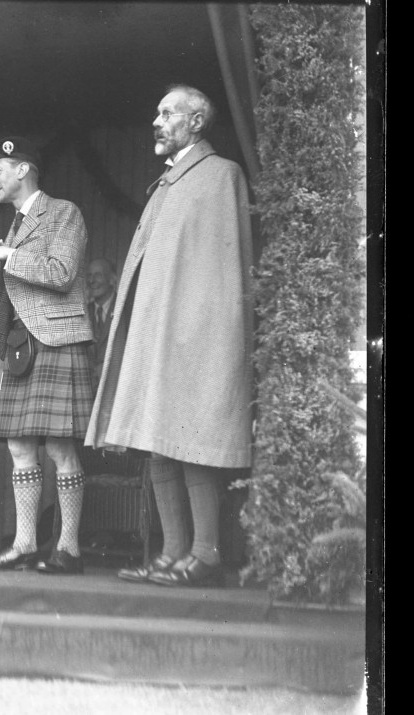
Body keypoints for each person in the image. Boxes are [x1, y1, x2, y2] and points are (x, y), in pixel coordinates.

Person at [85, 85, 254, 588]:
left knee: (194, 442)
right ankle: (173, 552)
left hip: (198, 338)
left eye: (167, 113)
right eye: (156, 112)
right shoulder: (167, 184)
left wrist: (212, 336)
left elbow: (227, 270)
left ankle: (205, 555)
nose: (156, 121)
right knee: (159, 444)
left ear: (196, 122)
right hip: (157, 337)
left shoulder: (221, 176)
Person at [0, 137, 95, 575]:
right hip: (21, 346)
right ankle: (24, 544)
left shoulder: (64, 213)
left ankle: (69, 549)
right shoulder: (14, 228)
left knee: (60, 447)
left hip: (58, 340)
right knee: (20, 446)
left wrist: (10, 255)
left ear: (22, 170)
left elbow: (61, 274)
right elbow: (6, 295)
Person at [86, 257, 118, 391]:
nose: (92, 281)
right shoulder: (84, 313)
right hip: (90, 388)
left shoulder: (125, 310)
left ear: (111, 280)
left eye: (98, 275)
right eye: (90, 275)